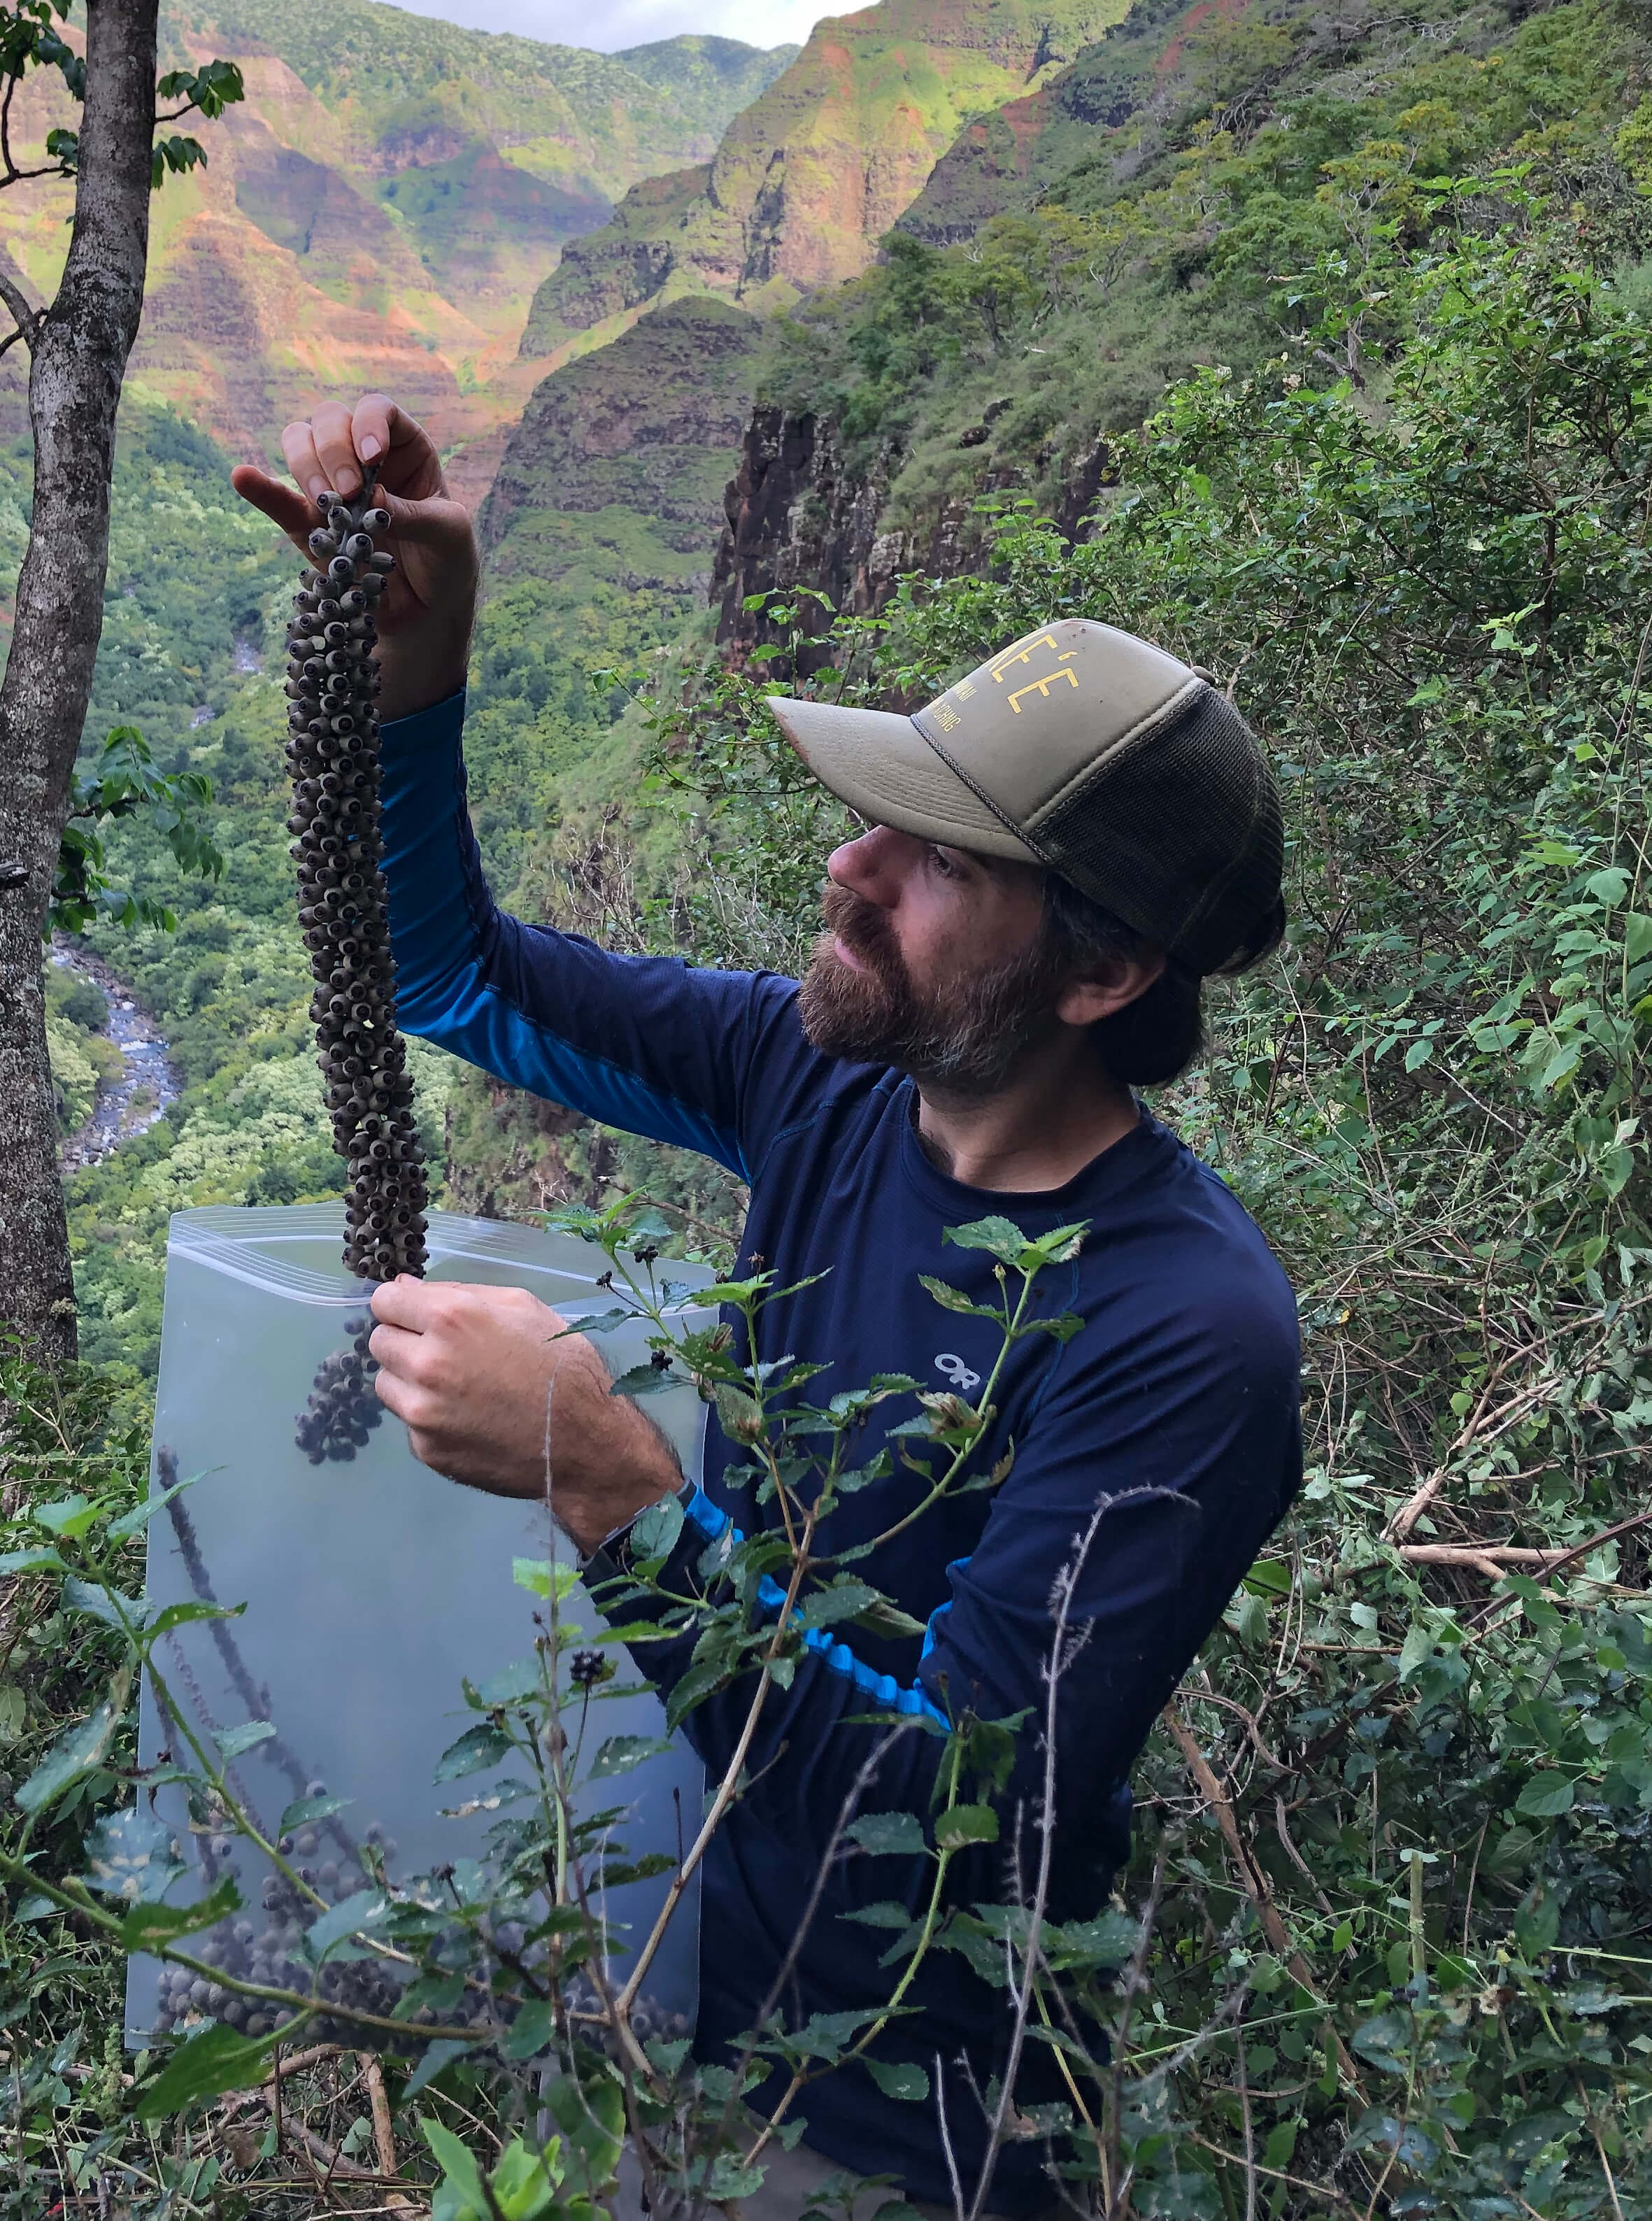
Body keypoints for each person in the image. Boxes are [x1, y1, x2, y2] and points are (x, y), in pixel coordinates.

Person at [234, 395, 1302, 2220]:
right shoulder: (821, 1085)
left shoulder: (1183, 1331)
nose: (848, 866)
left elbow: (948, 1824)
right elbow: (442, 973)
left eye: (941, 859)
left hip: (903, 2133)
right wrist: (417, 669)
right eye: (881, 814)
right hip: (682, 2002)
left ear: (1103, 974)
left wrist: (608, 1479)